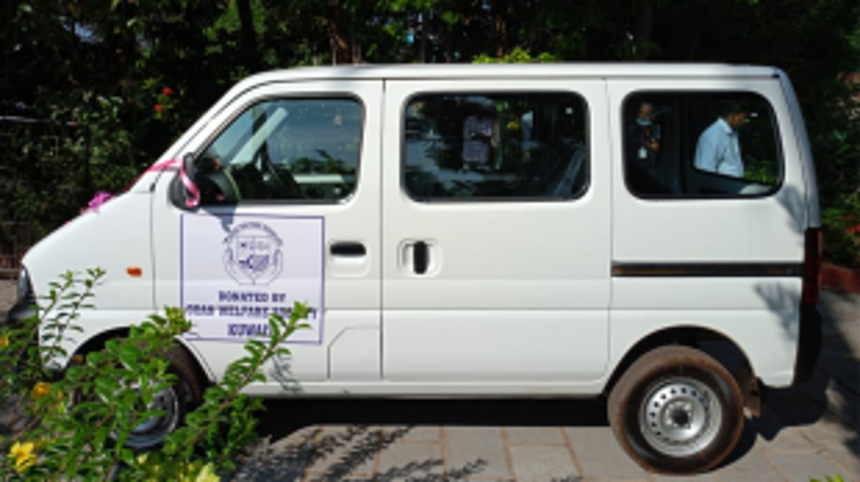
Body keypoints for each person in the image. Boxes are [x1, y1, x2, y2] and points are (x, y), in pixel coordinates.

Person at [694, 101, 749, 178]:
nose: (743, 122)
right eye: (742, 118)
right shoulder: (714, 135)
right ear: (733, 116)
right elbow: (706, 168)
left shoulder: (732, 132)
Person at [626, 102, 661, 167]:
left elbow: (656, 146)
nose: (644, 116)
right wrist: (647, 144)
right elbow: (630, 142)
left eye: (647, 113)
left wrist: (654, 144)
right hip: (633, 163)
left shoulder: (655, 127)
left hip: (649, 163)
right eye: (641, 112)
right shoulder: (631, 128)